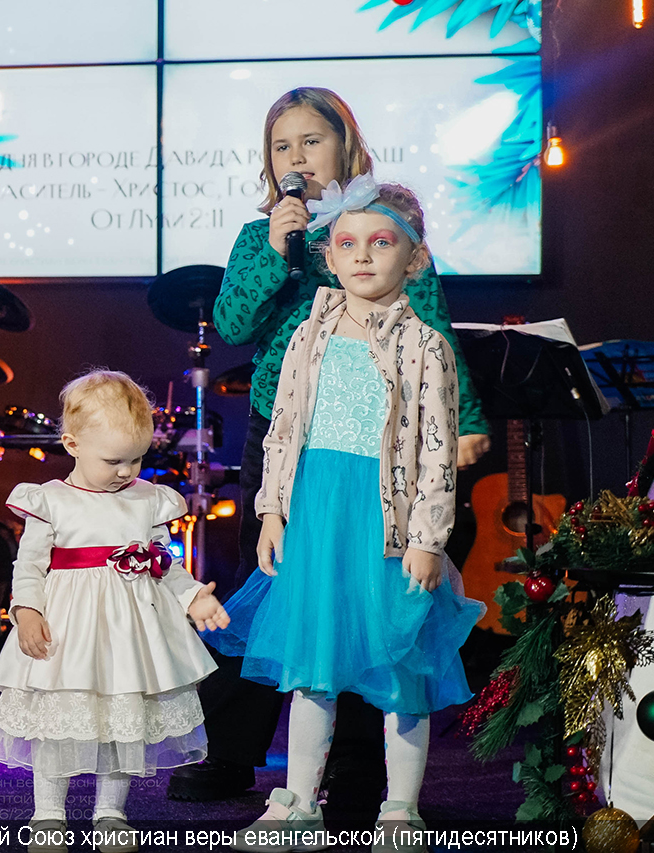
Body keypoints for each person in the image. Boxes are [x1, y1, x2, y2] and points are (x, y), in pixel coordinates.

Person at [172, 87, 491, 805]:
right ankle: (235, 751)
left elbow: (432, 328)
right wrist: (279, 249)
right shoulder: (261, 236)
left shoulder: (383, 228)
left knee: (370, 592)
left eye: (311, 141)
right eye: (281, 145)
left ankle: (357, 762)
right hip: (289, 434)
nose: (297, 157)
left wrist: (466, 419)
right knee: (278, 585)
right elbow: (233, 321)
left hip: (378, 443)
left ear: (345, 146)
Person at [0, 370, 229, 851]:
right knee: (59, 721)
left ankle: (111, 813)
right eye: (114, 460)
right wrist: (26, 610)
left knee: (124, 720)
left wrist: (193, 595)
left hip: (128, 633)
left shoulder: (147, 500)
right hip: (68, 631)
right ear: (72, 444)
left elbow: (163, 564)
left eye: (137, 459)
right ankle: (48, 815)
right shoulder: (50, 500)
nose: (126, 471)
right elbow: (29, 565)